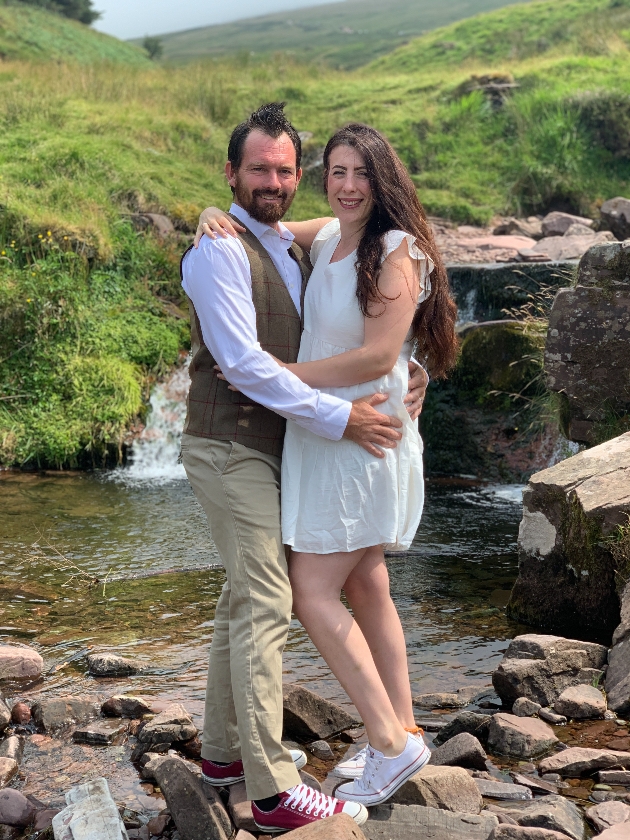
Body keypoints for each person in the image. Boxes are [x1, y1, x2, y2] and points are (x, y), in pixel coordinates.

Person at [180, 102, 429, 834]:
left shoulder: (341, 244)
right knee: (276, 595)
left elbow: (386, 342)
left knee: (283, 592)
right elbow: (244, 359)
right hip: (262, 443)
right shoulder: (253, 246)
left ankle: (253, 756)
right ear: (233, 173)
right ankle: (284, 783)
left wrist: (411, 374)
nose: (275, 181)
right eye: (259, 168)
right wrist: (206, 211)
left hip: (335, 442)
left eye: (286, 169)